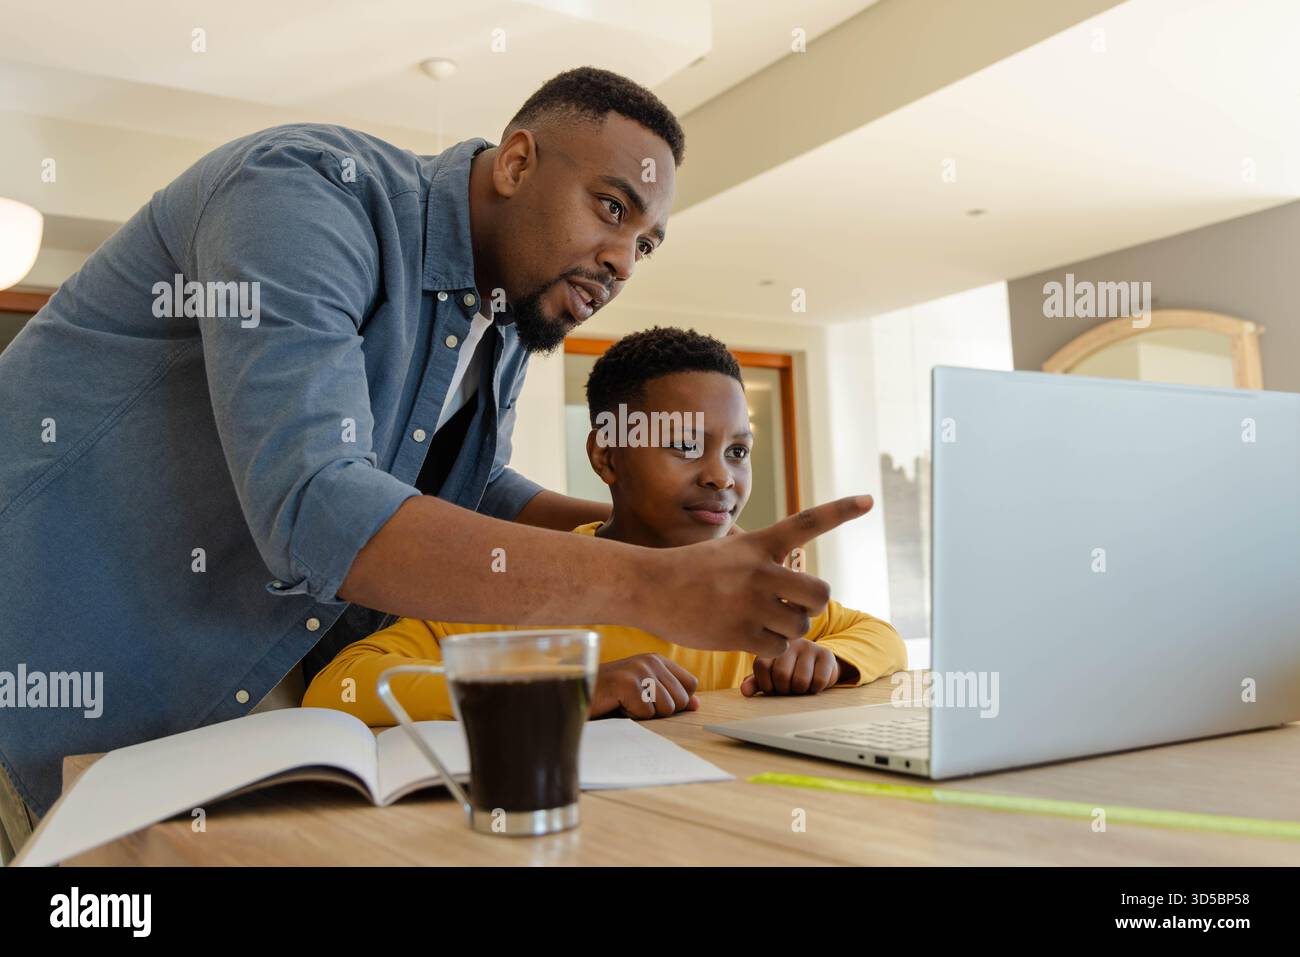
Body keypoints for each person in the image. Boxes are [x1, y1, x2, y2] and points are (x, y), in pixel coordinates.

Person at [0, 66, 871, 851]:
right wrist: (650, 587)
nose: (621, 260)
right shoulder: (302, 194)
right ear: (518, 162)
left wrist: (653, 539)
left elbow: (472, 485)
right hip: (38, 713)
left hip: (199, 745)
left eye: (645, 242)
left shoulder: (502, 323)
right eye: (611, 207)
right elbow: (314, 503)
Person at [304, 327, 905, 722]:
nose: (722, 477)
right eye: (685, 446)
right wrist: (568, 688)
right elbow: (343, 686)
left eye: (738, 452)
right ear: (606, 456)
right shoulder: (516, 583)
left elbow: (881, 637)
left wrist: (829, 661)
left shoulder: (753, 590)